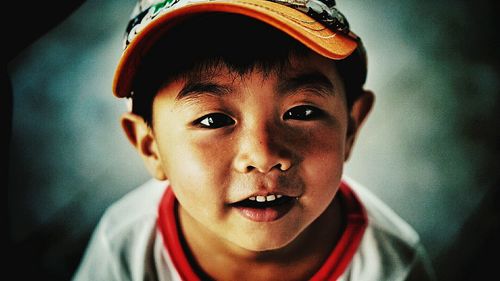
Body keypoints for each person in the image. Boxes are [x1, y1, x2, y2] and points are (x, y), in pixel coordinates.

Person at [72, 0, 436, 280]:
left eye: (302, 112)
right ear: (150, 147)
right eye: (213, 119)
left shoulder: (394, 266)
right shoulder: (122, 250)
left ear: (351, 127)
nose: (263, 155)